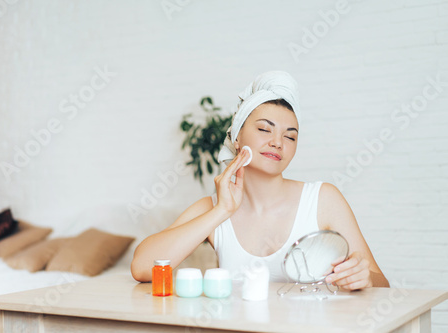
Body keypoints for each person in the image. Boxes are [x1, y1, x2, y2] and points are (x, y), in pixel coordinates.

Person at [131, 71, 389, 290]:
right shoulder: (214, 209)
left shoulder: (323, 199)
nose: (277, 142)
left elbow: (382, 284)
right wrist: (222, 211)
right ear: (237, 138)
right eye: (264, 129)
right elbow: (143, 267)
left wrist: (364, 278)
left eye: (290, 137)